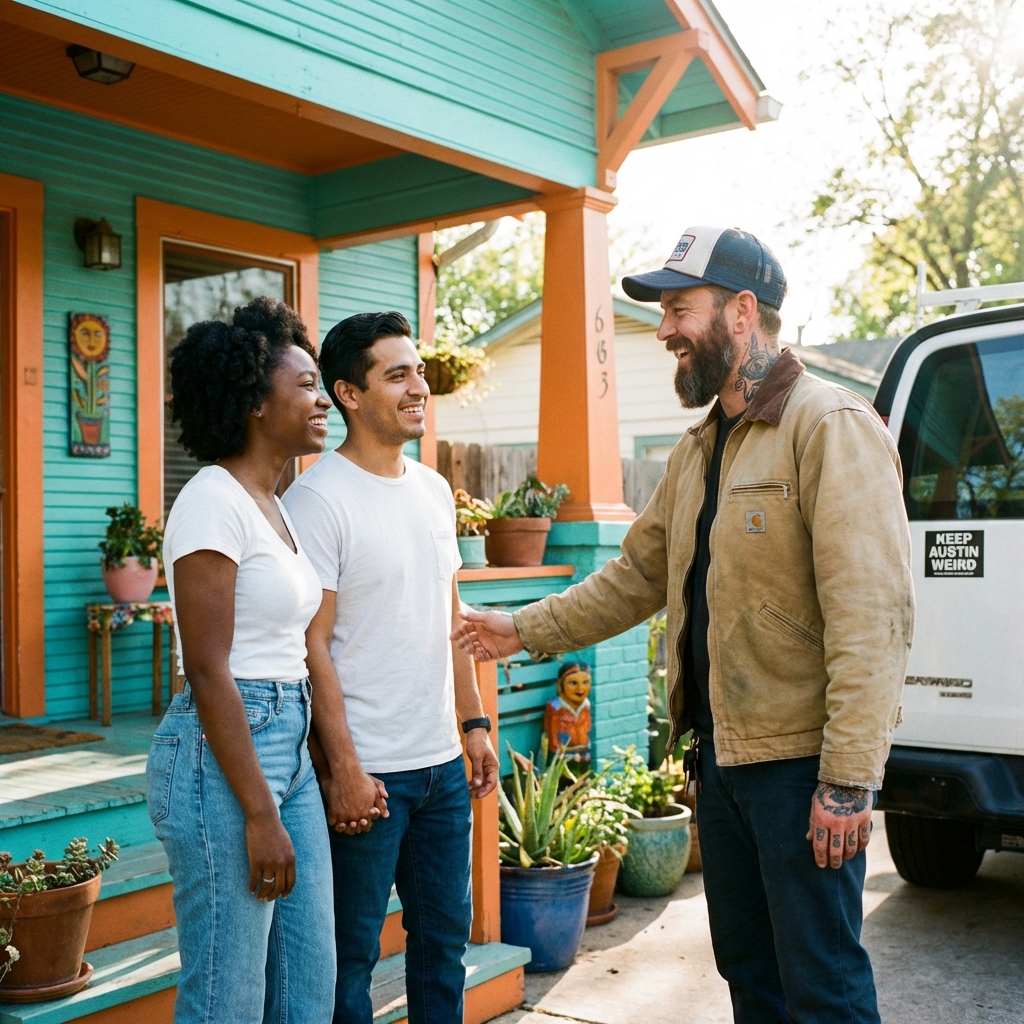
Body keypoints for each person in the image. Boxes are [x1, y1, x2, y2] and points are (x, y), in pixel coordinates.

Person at [451, 227, 915, 1024]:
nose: (665, 329)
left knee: (822, 983)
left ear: (742, 312)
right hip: (724, 760)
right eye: (663, 313)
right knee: (750, 973)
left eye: (678, 309)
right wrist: (519, 629)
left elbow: (872, 616)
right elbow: (635, 576)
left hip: (800, 766)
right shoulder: (700, 447)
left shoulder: (828, 425)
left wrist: (846, 781)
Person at [282, 311, 499, 1024]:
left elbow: (452, 618)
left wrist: (473, 724)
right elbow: (311, 646)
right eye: (398, 374)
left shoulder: (435, 490)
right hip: (368, 777)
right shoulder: (316, 500)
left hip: (441, 768)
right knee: (349, 959)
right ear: (347, 392)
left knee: (442, 946)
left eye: (421, 371)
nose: (420, 387)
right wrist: (342, 766)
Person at [145, 297, 336, 1023]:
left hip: (283, 743)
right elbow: (207, 667)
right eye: (307, 385)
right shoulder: (210, 502)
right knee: (228, 997)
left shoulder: (274, 501)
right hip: (222, 761)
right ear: (258, 402)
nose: (323, 400)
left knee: (306, 986)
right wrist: (260, 810)